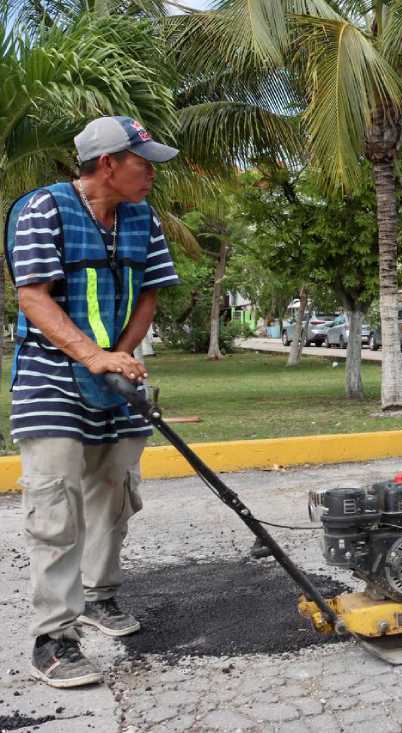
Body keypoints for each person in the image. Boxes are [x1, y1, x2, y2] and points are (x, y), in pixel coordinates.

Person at [5, 116, 180, 688]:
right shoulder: (43, 210)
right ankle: (53, 637)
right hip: (50, 377)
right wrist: (92, 357)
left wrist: (121, 358)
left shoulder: (142, 218)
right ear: (108, 164)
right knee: (56, 506)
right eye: (142, 161)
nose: (152, 172)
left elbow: (149, 295)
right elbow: (33, 298)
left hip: (115, 376)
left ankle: (100, 597)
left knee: (114, 492)